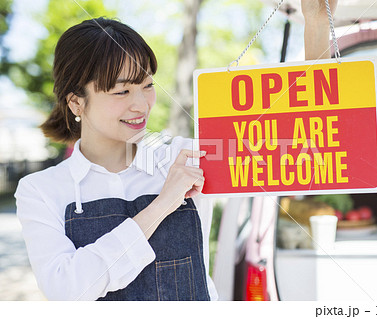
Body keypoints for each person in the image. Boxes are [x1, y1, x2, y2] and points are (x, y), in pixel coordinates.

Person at [14, 0, 337, 301]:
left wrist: (317, 21)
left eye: (148, 85)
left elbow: (306, 145)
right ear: (76, 102)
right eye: (122, 90)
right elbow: (66, 289)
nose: (141, 104)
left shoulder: (186, 156)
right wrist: (163, 204)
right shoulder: (41, 191)